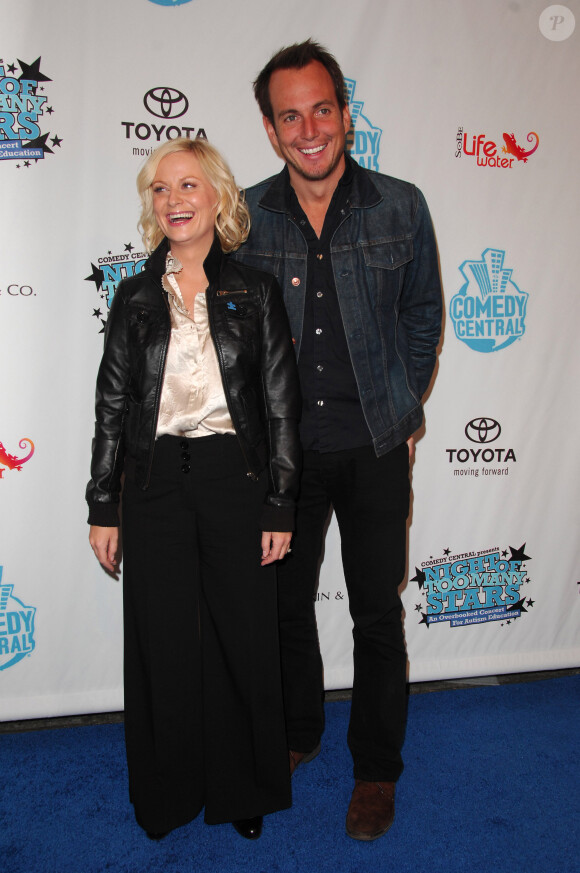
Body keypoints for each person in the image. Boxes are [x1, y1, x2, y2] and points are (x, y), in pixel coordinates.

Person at [231, 40, 442, 841]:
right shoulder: (243, 215)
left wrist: (398, 400)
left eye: (323, 108)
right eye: (291, 114)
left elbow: (424, 316)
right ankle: (298, 733)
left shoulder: (401, 205)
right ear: (270, 126)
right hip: (286, 455)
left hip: (374, 448)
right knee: (285, 608)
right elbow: (230, 336)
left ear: (345, 114)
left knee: (374, 615)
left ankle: (376, 769)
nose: (309, 127)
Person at [86, 137, 301, 841]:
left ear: (218, 197)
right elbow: (113, 405)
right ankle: (169, 789)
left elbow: (278, 407)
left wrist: (278, 501)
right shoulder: (134, 296)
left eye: (188, 186)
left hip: (234, 478)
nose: (174, 200)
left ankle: (243, 789)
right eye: (160, 189)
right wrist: (103, 505)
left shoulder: (256, 290)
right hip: (152, 486)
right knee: (163, 643)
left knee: (243, 638)